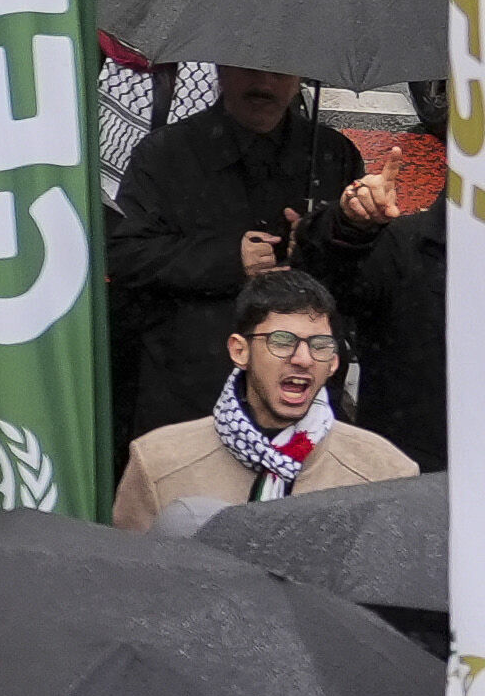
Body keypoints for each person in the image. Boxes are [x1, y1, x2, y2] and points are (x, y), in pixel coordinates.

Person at [102, 59, 394, 438]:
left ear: (299, 79)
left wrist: (336, 232)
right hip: (189, 389)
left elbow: (359, 279)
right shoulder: (166, 154)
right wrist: (229, 259)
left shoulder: (332, 154)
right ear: (221, 70)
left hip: (302, 398)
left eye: (280, 72)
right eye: (250, 70)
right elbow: (126, 254)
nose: (265, 84)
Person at [110, 269, 420, 533]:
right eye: (282, 341)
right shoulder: (159, 463)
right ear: (239, 351)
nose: (303, 359)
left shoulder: (384, 472)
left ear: (334, 363)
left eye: (319, 345)